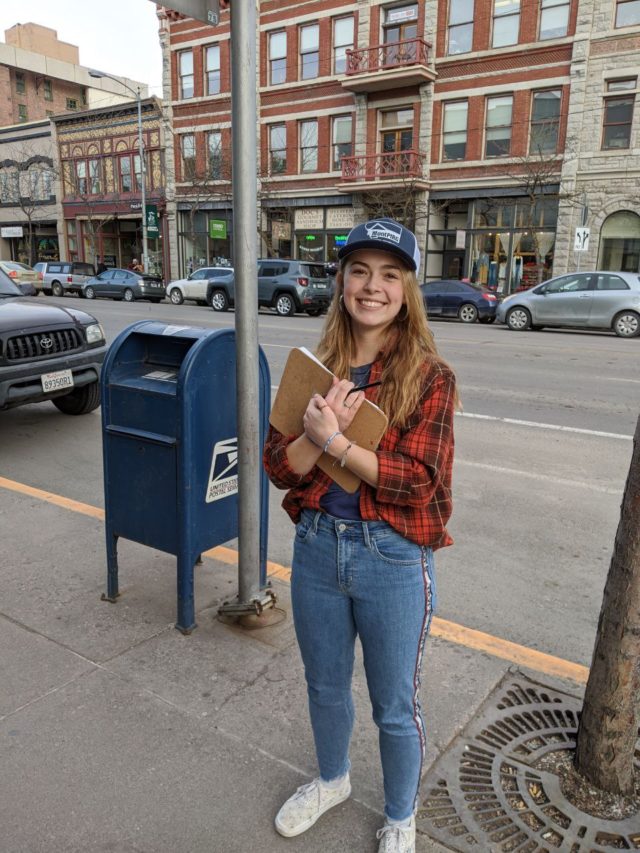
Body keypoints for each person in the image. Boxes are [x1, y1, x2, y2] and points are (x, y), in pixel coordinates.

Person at [263, 218, 457, 852]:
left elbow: (419, 481)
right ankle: (332, 779)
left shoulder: (430, 375)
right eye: (360, 271)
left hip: (392, 557)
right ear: (342, 280)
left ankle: (401, 813)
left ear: (407, 289)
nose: (372, 286)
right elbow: (275, 467)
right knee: (323, 684)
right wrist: (310, 441)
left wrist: (336, 442)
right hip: (317, 546)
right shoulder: (314, 368)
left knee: (394, 704)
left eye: (389, 274)